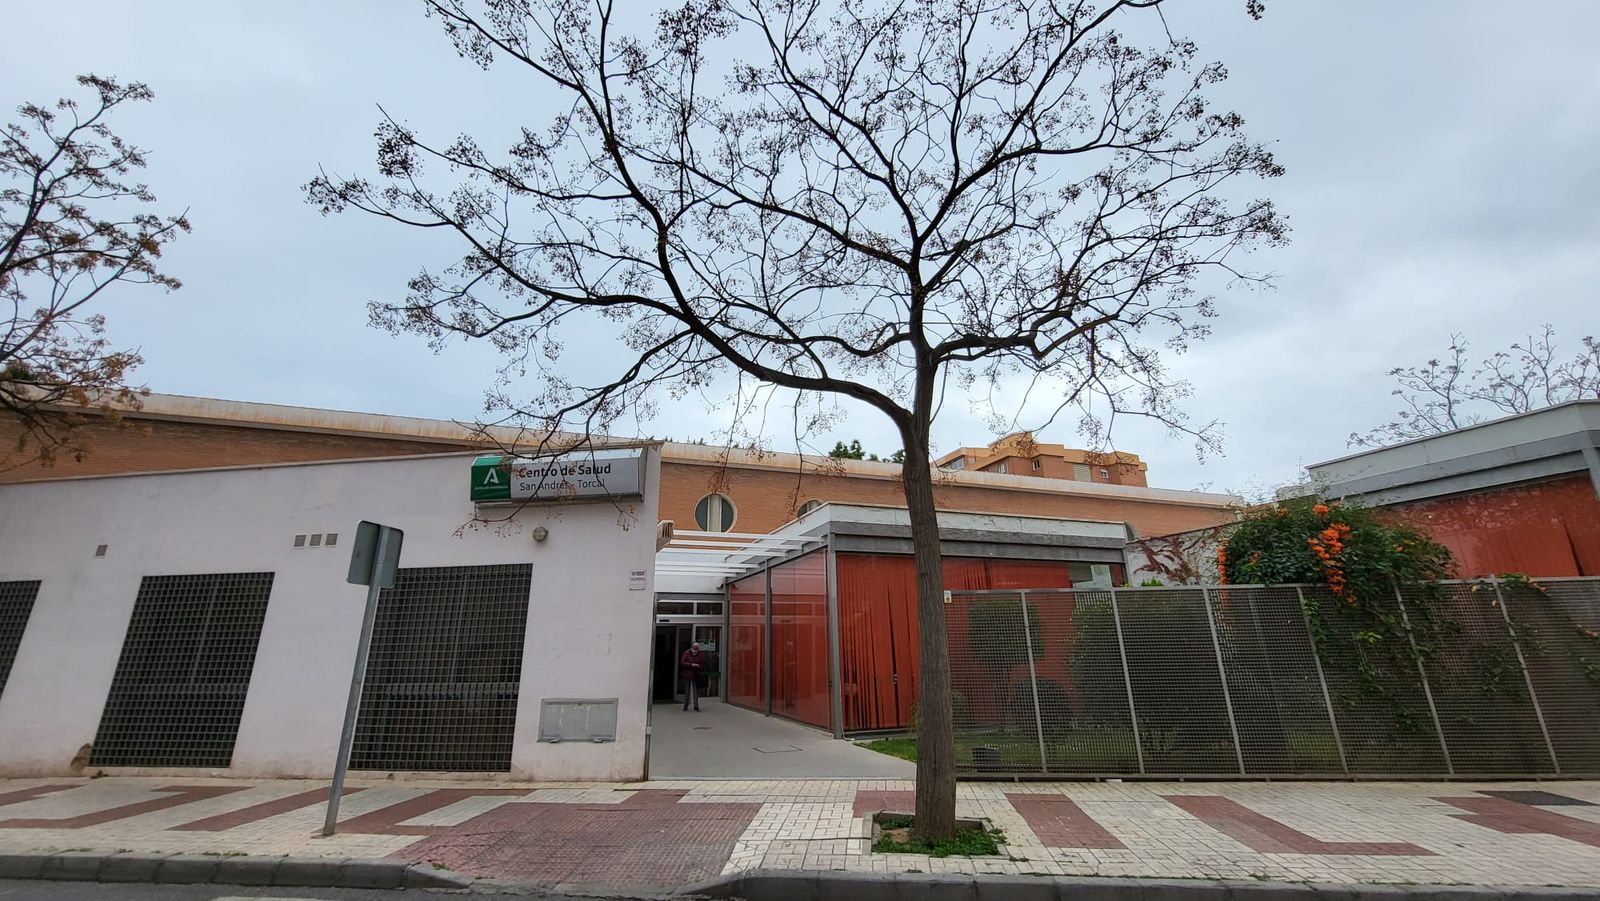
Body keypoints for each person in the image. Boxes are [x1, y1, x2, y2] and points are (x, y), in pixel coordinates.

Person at [679, 642, 705, 711]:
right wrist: (691, 664)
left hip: (695, 674)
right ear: (692, 647)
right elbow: (682, 662)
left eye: (697, 649)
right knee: (687, 691)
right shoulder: (686, 653)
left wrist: (699, 666)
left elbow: (702, 663)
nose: (695, 651)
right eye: (694, 649)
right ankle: (685, 705)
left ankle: (696, 706)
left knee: (695, 692)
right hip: (687, 674)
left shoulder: (700, 654)